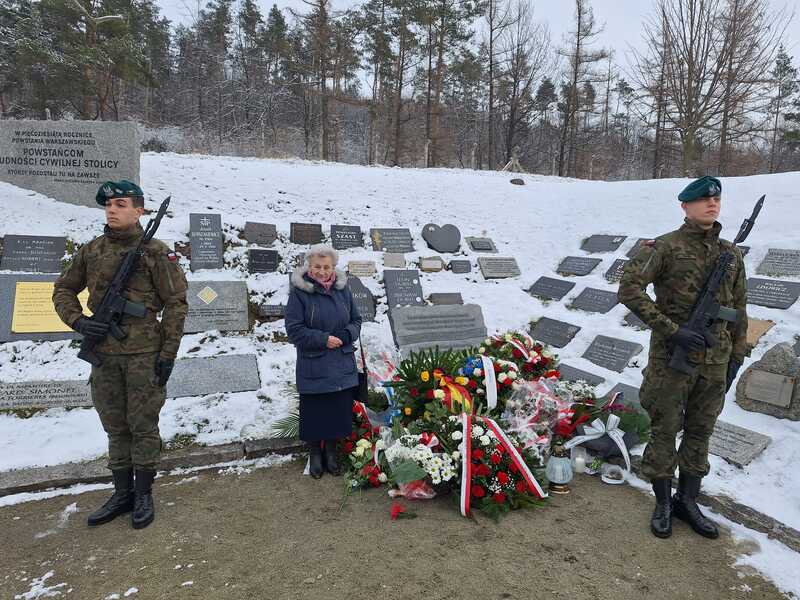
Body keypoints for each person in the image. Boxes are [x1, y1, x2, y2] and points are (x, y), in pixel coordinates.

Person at [619, 175, 748, 540]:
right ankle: (662, 502)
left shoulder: (731, 254)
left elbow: (739, 308)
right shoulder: (664, 247)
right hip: (672, 359)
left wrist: (737, 354)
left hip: (715, 360)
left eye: (717, 200)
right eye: (704, 200)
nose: (712, 204)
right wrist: (672, 329)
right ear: (685, 206)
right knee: (664, 429)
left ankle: (688, 501)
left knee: (701, 431)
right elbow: (629, 290)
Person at [53, 180, 188, 529]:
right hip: (104, 355)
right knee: (115, 426)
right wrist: (80, 322)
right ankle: (121, 493)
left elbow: (175, 304)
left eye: (121, 204)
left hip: (145, 354)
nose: (112, 210)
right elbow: (64, 289)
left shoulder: (156, 252)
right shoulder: (92, 250)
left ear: (139, 210)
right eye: (109, 205)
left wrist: (168, 354)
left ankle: (143, 494)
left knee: (143, 426)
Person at [285, 244, 362, 479]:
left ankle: (330, 451)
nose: (322, 271)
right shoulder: (300, 293)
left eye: (326, 266)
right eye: (317, 266)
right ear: (309, 266)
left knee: (337, 410)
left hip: (341, 361)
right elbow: (294, 329)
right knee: (316, 411)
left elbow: (356, 320)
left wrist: (346, 335)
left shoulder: (342, 290)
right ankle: (314, 453)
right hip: (314, 362)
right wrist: (323, 339)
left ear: (333, 267)